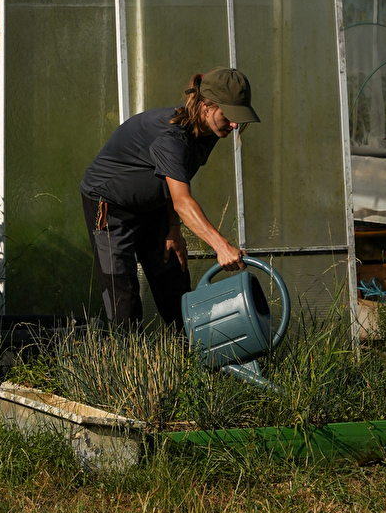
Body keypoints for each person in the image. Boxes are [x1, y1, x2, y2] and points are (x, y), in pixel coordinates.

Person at [79, 68, 259, 331]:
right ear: (206, 105)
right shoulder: (172, 137)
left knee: (176, 290)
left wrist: (173, 229)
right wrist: (221, 246)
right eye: (229, 116)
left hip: (153, 207)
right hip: (110, 205)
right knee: (124, 304)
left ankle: (192, 353)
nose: (234, 125)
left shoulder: (208, 132)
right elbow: (183, 201)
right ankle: (122, 352)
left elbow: (173, 182)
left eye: (238, 118)